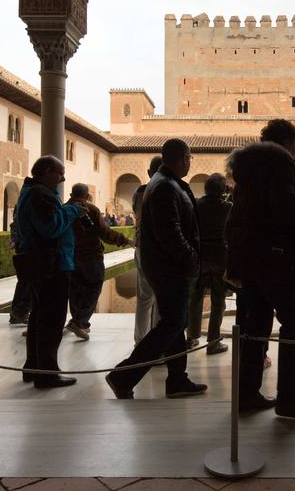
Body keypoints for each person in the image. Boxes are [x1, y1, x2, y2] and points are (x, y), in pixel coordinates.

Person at [227, 125, 295, 422]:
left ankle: (247, 394)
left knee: (255, 324)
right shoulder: (279, 162)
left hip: (250, 258)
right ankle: (290, 399)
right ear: (286, 141)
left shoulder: (247, 167)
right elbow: (285, 207)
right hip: (275, 258)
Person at [106, 139, 207, 400]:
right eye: (189, 158)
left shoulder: (165, 183)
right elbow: (170, 232)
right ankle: (123, 375)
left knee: (174, 322)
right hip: (170, 268)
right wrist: (191, 259)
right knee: (173, 323)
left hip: (166, 266)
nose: (190, 162)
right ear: (182, 158)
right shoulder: (165, 187)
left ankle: (176, 379)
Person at [14, 155, 86, 389]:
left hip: (41, 264)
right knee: (52, 321)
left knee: (39, 317)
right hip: (51, 266)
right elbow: (51, 227)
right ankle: (47, 373)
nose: (63, 178)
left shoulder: (31, 192)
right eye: (59, 172)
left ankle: (33, 367)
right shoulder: (40, 195)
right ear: (45, 172)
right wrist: (73, 211)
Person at [65, 183, 133, 340]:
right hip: (91, 257)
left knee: (75, 290)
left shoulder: (64, 209)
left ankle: (77, 321)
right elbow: (104, 233)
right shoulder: (91, 209)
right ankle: (80, 321)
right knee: (94, 288)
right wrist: (125, 240)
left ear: (71, 194)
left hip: (72, 257)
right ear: (87, 195)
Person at [187, 173, 232, 355]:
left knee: (195, 299)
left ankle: (191, 337)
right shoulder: (228, 207)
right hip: (220, 258)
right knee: (218, 301)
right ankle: (213, 342)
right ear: (223, 189)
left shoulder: (196, 205)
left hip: (200, 258)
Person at [132, 154, 163, 344]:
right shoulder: (166, 190)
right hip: (159, 251)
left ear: (149, 172)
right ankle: (156, 345)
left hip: (142, 248)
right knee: (160, 300)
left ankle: (140, 342)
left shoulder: (139, 192)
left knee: (144, 299)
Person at [8, 205, 33, 325]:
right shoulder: (32, 200)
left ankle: (17, 313)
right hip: (27, 248)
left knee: (24, 282)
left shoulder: (24, 201)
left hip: (23, 247)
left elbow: (15, 223)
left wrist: (14, 238)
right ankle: (19, 312)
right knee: (28, 282)